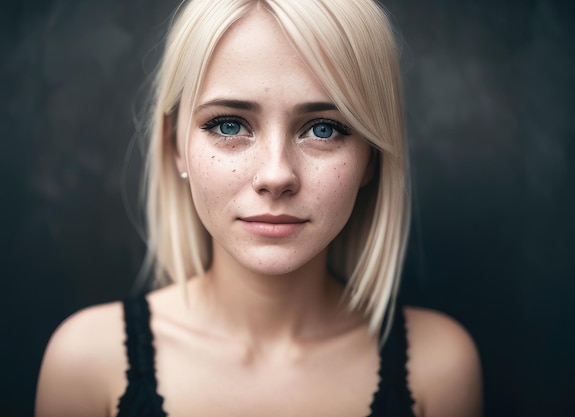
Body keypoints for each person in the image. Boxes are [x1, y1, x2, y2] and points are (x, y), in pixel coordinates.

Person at [35, 0, 482, 416]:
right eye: (229, 124)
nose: (276, 175)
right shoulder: (87, 363)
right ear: (174, 144)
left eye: (324, 129)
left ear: (371, 156)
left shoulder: (438, 366)